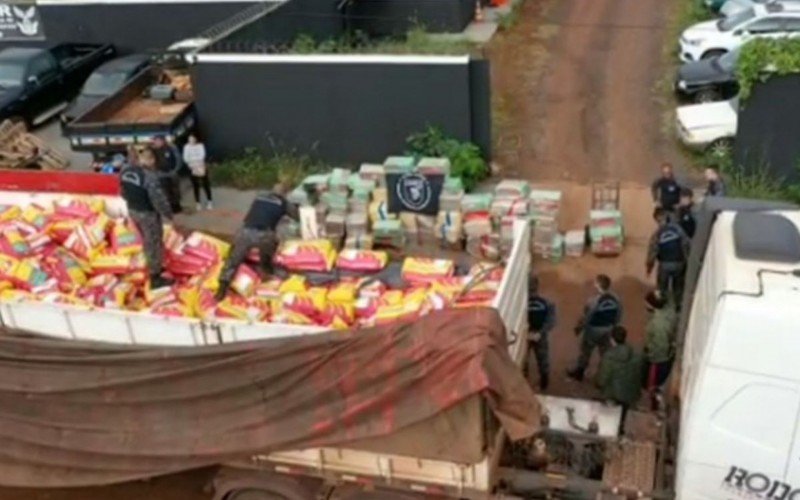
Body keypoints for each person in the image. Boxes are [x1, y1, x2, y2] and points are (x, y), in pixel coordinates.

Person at [215, 182, 299, 301]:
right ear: (284, 194)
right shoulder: (283, 203)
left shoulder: (259, 197)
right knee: (272, 245)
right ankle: (266, 268)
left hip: (245, 231)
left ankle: (222, 288)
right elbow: (297, 216)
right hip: (264, 235)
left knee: (233, 259)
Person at [119, 146, 174, 289]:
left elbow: (123, 193)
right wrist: (168, 214)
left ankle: (152, 267)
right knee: (153, 243)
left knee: (145, 241)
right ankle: (155, 277)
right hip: (148, 215)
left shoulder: (125, 171)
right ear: (150, 160)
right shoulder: (149, 176)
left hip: (133, 211)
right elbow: (158, 200)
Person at [567, 274, 623, 382]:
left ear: (598, 286)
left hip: (593, 330)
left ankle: (580, 373)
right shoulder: (616, 299)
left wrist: (579, 328)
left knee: (585, 352)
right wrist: (614, 326)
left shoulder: (593, 301)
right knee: (605, 353)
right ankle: (603, 376)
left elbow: (586, 317)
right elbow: (619, 314)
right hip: (608, 329)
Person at [596, 326, 644, 435]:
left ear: (612, 339)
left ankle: (612, 432)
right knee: (624, 412)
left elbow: (601, 380)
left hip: (614, 395)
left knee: (610, 415)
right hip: (631, 393)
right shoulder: (635, 354)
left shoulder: (609, 357)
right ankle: (621, 427)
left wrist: (599, 385)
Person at [647, 208, 691, 307]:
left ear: (657, 220)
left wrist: (649, 267)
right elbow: (686, 244)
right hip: (679, 263)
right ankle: (678, 308)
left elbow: (652, 252)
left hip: (664, 265)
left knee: (662, 289)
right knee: (678, 288)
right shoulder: (678, 229)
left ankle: (663, 309)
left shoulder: (657, 234)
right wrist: (686, 260)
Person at [643, 291, 677, 411]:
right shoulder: (670, 312)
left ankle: (654, 404)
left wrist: (651, 356)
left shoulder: (657, 324)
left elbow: (660, 345)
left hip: (660, 358)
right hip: (668, 352)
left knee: (654, 383)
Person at [527, 275, 556, 391]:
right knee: (543, 360)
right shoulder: (547, 303)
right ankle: (544, 384)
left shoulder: (521, 303)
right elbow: (551, 321)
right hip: (540, 336)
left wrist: (526, 332)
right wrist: (540, 333)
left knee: (523, 359)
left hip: (525, 336)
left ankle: (523, 382)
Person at [152, 135, 182, 213]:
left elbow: (178, 159)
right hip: (161, 174)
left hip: (172, 172)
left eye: (157, 141)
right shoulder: (154, 150)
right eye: (155, 141)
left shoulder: (171, 148)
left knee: (175, 190)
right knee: (165, 191)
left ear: (162, 141)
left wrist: (175, 170)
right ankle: (170, 207)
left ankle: (177, 206)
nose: (156, 142)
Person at [182, 134, 213, 211]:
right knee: (195, 185)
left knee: (205, 184)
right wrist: (193, 162)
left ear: (196, 139)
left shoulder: (200, 146)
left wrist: (194, 161)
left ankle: (209, 201)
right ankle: (198, 202)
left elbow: (202, 156)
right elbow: (185, 158)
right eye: (189, 139)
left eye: (192, 139)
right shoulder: (186, 147)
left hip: (201, 166)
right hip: (192, 168)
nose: (191, 141)